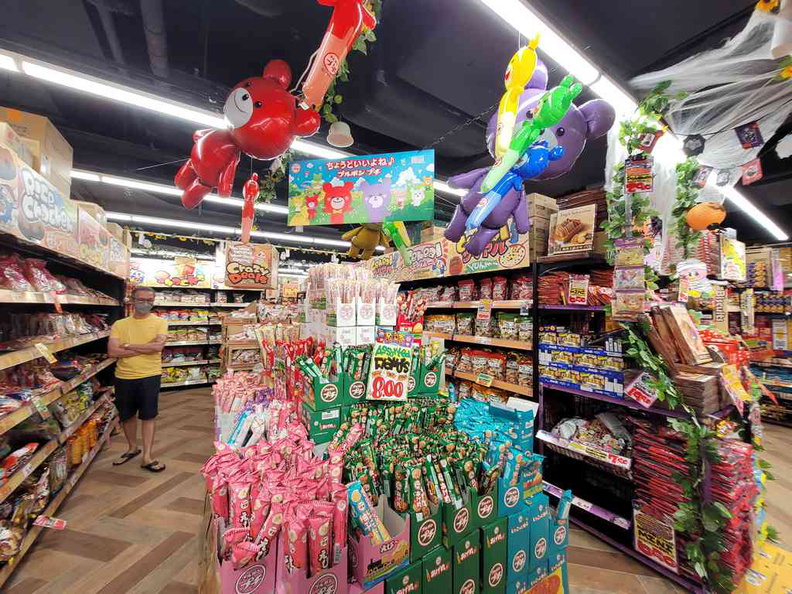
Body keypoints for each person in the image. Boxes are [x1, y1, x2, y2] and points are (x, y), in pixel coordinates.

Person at [107, 286, 168, 472]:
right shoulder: (120, 324)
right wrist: (144, 347)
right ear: (132, 300)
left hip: (150, 375)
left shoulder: (160, 322)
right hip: (123, 376)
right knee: (127, 416)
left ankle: (147, 456)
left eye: (150, 300)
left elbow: (158, 347)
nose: (145, 304)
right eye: (141, 300)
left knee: (148, 416)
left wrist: (127, 346)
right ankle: (132, 448)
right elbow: (112, 352)